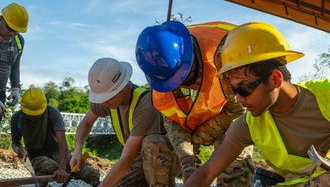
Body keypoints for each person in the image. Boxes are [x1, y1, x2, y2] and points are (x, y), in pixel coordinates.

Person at [183, 22, 330, 187]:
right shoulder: (250, 125)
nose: (238, 99)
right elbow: (207, 172)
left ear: (275, 79)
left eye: (244, 89)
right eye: (233, 90)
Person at [136, 21, 255, 186]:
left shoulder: (224, 57)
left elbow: (236, 109)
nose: (180, 84)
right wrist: (187, 161)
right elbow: (173, 123)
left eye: (181, 78)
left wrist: (199, 137)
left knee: (234, 162)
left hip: (231, 115)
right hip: (195, 128)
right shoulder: (160, 80)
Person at [70, 57, 180, 187]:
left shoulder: (146, 105)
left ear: (122, 87)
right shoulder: (108, 100)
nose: (104, 102)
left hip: (166, 157)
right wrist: (78, 149)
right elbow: (86, 123)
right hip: (138, 159)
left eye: (107, 97)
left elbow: (127, 159)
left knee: (151, 142)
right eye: (101, 98)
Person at [10, 87, 100, 187]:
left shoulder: (53, 114)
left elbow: (62, 143)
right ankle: (42, 185)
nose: (34, 117)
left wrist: (62, 168)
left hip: (57, 152)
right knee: (50, 167)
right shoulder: (17, 118)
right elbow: (15, 143)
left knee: (90, 173)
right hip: (36, 155)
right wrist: (18, 149)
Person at [0, 3, 28, 122]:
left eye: (16, 31)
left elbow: (15, 66)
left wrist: (16, 88)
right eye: (10, 29)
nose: (12, 33)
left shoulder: (19, 41)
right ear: (2, 19)